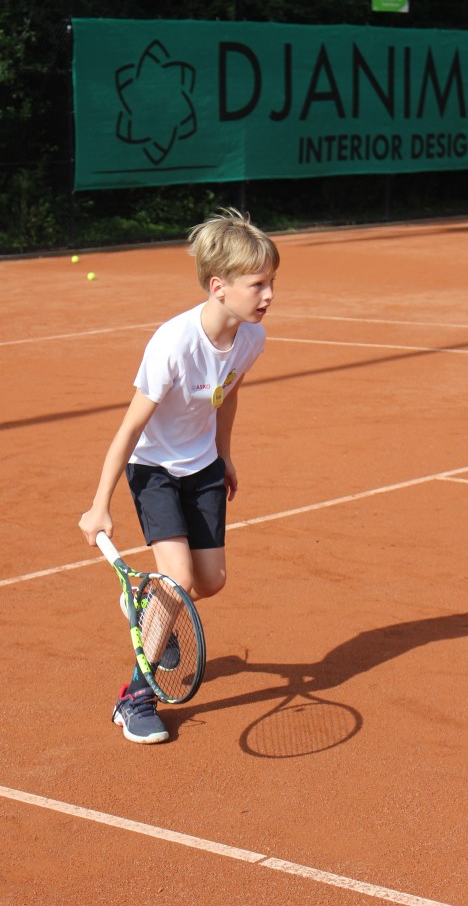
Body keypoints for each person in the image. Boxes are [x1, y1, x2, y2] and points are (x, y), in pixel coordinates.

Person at [79, 207, 279, 744]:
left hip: (203, 465)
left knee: (209, 582)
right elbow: (129, 428)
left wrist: (224, 455)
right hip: (155, 470)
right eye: (257, 284)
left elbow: (227, 395)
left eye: (271, 283)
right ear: (219, 287)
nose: (268, 295)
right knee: (179, 579)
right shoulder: (173, 344)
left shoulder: (251, 338)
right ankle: (135, 697)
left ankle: (148, 607)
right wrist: (100, 505)